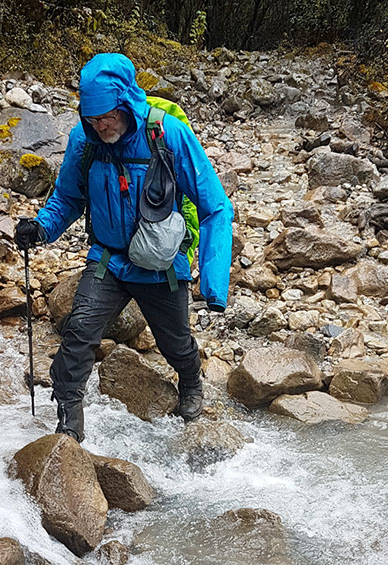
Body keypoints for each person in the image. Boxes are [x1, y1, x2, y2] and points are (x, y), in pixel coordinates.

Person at [15, 53, 233, 443]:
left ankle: (190, 381)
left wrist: (213, 285)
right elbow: (67, 199)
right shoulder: (85, 140)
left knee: (175, 342)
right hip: (108, 262)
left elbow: (215, 207)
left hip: (160, 264)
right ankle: (69, 422)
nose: (101, 128)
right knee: (78, 335)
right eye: (93, 119)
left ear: (127, 103)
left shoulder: (168, 135)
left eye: (108, 118)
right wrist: (40, 228)